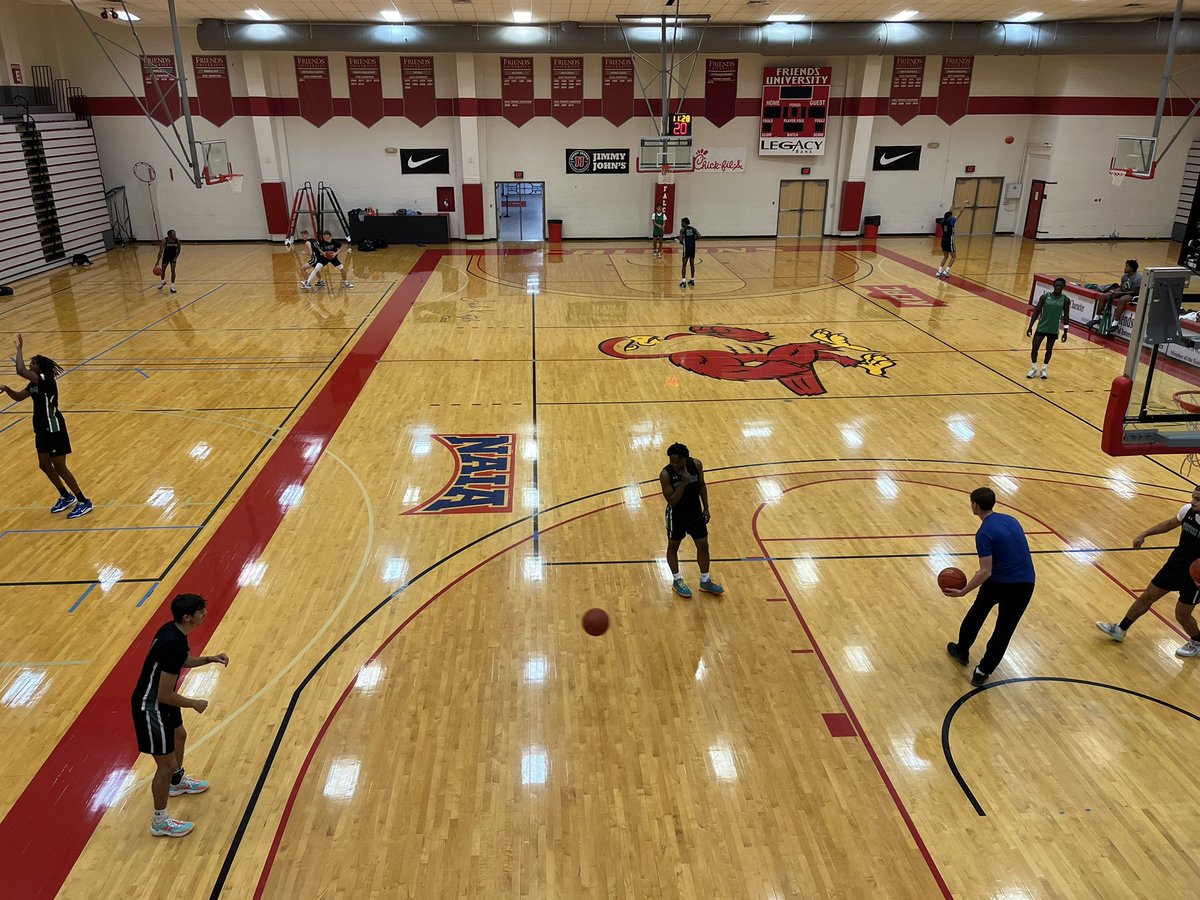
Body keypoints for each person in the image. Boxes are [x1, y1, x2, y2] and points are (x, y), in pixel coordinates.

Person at [131, 593, 229, 837]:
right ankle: (160, 821)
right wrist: (193, 702)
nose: (205, 613)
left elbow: (180, 660)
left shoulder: (173, 631)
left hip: (160, 700)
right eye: (200, 611)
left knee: (180, 736)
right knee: (165, 765)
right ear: (188, 617)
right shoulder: (173, 642)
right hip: (150, 706)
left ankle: (177, 782)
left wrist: (209, 658)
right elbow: (164, 694)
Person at [944, 487, 1036, 686]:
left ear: (975, 505)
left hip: (999, 582)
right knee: (1005, 629)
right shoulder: (1012, 519)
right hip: (1026, 583)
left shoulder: (984, 533)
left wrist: (963, 591)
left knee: (978, 612)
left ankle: (962, 650)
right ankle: (983, 671)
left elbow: (986, 571)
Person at [1096, 487, 1200, 658]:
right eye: (1192, 497)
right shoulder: (1187, 511)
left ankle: (1197, 641)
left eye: (1197, 499)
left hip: (1195, 576)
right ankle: (1121, 629)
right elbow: (1169, 524)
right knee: (1147, 596)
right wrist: (1144, 534)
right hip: (1176, 564)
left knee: (1182, 614)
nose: (1192, 502)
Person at [0, 333, 92, 518]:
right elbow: (19, 397)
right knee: (44, 464)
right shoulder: (34, 385)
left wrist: (19, 349)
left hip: (54, 427)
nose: (29, 365)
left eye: (32, 363)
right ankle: (65, 496)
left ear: (39, 368)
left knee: (60, 467)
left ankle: (84, 501)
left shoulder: (46, 380)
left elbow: (20, 370)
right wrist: (7, 389)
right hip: (41, 429)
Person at [660, 442, 724, 598]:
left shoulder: (696, 464)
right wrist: (682, 484)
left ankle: (705, 580)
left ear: (686, 459)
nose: (674, 465)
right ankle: (677, 580)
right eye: (671, 461)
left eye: (678, 462)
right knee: (673, 547)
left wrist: (706, 507)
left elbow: (701, 485)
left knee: (703, 547)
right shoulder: (666, 474)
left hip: (695, 513)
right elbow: (672, 501)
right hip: (676, 516)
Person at [1025, 276, 1070, 379]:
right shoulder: (1045, 297)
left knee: (1049, 349)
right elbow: (1036, 312)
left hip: (1053, 329)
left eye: (1061, 286)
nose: (1058, 287)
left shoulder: (1066, 300)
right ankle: (1034, 368)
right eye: (1057, 285)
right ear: (1053, 285)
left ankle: (1044, 369)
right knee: (1034, 348)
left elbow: (1066, 316)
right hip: (1041, 327)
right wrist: (1030, 326)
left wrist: (1065, 332)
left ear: (1063, 287)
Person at [1089, 259, 1141, 336]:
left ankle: (1115, 324)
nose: (1125, 268)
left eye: (1127, 266)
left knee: (1122, 300)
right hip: (1124, 292)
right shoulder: (1124, 276)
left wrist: (1120, 292)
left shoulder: (1138, 279)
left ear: (1132, 269)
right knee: (1103, 296)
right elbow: (1121, 287)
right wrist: (1114, 291)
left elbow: (1135, 292)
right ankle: (1097, 318)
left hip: (1133, 295)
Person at [936, 206, 965, 278]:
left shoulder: (943, 221)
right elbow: (959, 213)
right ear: (949, 217)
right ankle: (946, 271)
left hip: (943, 241)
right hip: (950, 241)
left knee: (945, 256)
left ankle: (939, 271)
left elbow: (948, 213)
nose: (952, 217)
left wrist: (952, 206)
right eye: (951, 216)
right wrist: (963, 207)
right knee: (953, 257)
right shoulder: (951, 222)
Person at [677, 217, 701, 288]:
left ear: (684, 223)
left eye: (682, 222)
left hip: (686, 249)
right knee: (692, 264)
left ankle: (683, 282)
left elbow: (680, 240)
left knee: (684, 265)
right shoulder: (693, 229)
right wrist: (693, 240)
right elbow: (699, 236)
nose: (681, 224)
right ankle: (692, 280)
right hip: (692, 248)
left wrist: (684, 243)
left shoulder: (682, 230)